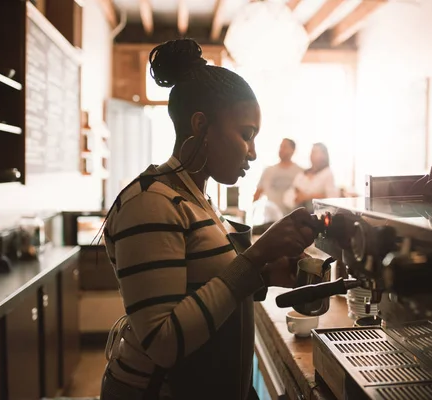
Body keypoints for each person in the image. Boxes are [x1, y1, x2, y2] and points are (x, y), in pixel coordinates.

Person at [99, 39, 316, 400]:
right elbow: (163, 342)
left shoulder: (197, 197)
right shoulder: (150, 202)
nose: (253, 151)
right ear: (201, 125)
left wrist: (266, 274)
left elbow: (201, 284)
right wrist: (256, 257)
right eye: (246, 134)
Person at [283, 143, 339, 213]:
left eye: (315, 152)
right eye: (312, 152)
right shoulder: (302, 175)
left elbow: (332, 197)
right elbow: (291, 193)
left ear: (324, 155)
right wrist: (298, 197)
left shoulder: (327, 174)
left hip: (318, 215)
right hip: (298, 213)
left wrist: (308, 197)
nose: (312, 155)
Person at [253, 138, 303, 216]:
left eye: (285, 147)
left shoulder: (300, 172)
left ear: (293, 150)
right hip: (271, 219)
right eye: (280, 147)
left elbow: (302, 195)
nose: (281, 150)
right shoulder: (268, 171)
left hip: (293, 219)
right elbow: (257, 194)